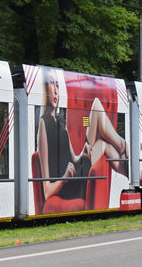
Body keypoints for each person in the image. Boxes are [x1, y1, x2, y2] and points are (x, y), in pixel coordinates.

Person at [36, 71, 127, 204]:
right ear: (45, 89)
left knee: (103, 144)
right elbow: (47, 191)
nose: (55, 91)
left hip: (78, 173)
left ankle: (130, 171)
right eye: (51, 83)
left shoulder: (61, 121)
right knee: (96, 105)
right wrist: (64, 177)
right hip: (72, 186)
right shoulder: (44, 124)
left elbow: (74, 159)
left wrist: (82, 155)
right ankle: (124, 148)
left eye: (57, 85)